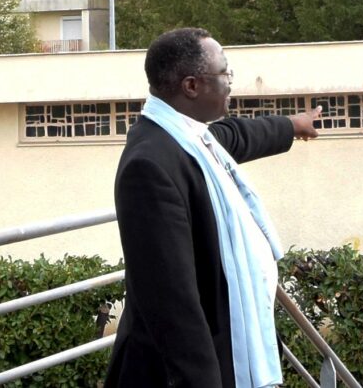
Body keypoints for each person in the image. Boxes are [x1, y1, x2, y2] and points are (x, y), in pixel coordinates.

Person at [104, 27, 321, 388]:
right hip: (181, 373)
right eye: (225, 74)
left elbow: (237, 136)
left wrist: (291, 126)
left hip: (222, 354)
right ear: (192, 86)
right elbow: (173, 305)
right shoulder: (151, 165)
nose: (230, 83)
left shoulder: (191, 138)